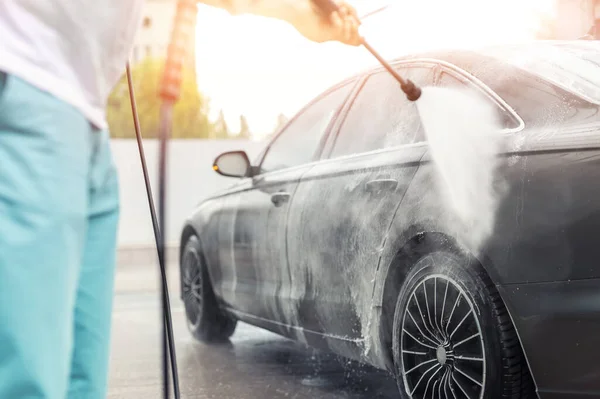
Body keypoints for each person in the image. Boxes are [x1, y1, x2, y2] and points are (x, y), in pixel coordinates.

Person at [0, 1, 361, 398]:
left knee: (82, 380)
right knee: (30, 377)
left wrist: (303, 14)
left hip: (86, 124)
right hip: (25, 92)